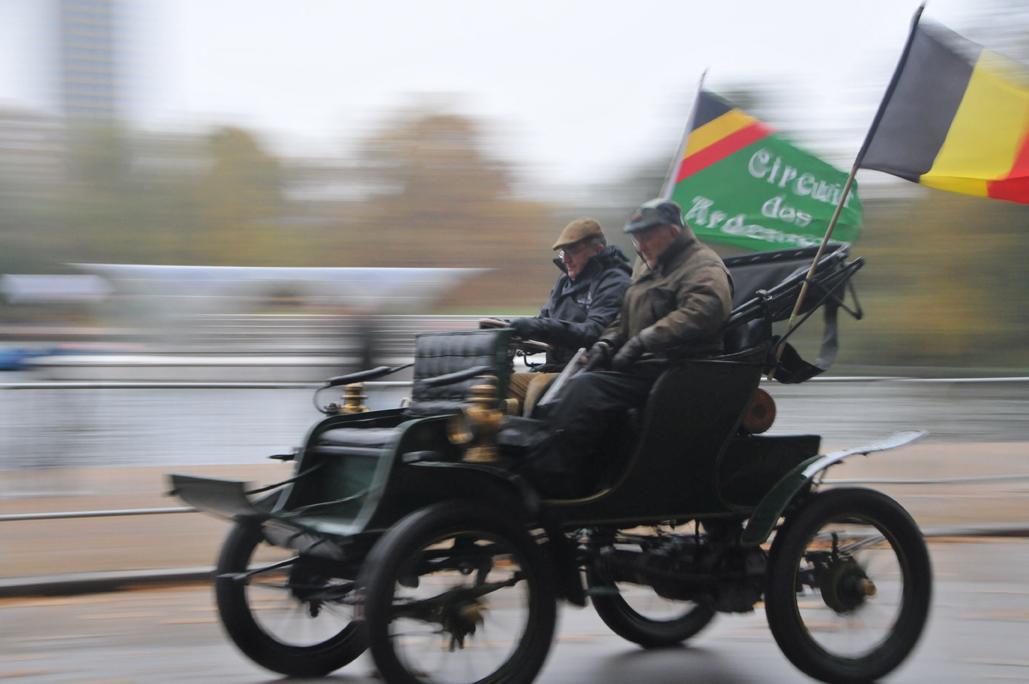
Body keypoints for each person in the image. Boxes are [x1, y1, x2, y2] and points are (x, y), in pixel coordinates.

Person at [524, 198, 733, 495]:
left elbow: (703, 312)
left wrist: (642, 341)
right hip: (645, 367)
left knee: (586, 389)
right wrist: (606, 343)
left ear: (672, 232)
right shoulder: (651, 267)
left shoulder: (702, 265)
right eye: (636, 238)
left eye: (646, 236)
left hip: (677, 370)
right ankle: (557, 470)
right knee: (560, 388)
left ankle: (552, 481)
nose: (640, 245)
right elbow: (625, 317)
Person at [503, 218, 631, 416]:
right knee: (495, 383)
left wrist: (539, 327)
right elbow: (544, 320)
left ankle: (532, 434)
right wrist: (513, 329)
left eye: (573, 251)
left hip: (588, 370)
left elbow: (596, 331)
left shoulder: (614, 281)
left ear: (597, 250)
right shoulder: (565, 282)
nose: (566, 260)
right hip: (556, 368)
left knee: (538, 386)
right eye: (564, 253)